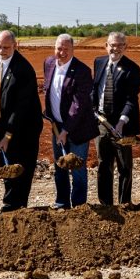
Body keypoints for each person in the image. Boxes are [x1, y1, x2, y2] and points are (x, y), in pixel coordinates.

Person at [0, 30, 43, 211]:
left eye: (6, 48)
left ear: (15, 46)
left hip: (25, 127)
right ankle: (10, 201)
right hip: (1, 122)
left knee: (20, 166)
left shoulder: (24, 70)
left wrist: (8, 136)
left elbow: (20, 108)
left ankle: (17, 206)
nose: (1, 51)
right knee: (6, 162)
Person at [43, 34, 98, 209]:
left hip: (78, 127)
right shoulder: (49, 63)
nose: (62, 52)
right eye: (59, 48)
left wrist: (65, 131)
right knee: (60, 166)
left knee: (77, 168)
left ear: (73, 49)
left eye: (66, 49)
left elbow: (78, 105)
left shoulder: (82, 70)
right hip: (57, 126)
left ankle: (80, 206)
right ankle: (62, 203)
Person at [91, 32, 140, 206]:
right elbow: (95, 88)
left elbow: (131, 99)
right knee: (104, 164)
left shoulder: (132, 69)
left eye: (120, 45)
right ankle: (106, 204)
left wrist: (121, 122)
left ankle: (124, 204)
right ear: (106, 45)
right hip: (101, 123)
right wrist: (92, 110)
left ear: (125, 47)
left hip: (123, 125)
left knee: (124, 167)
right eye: (113, 45)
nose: (116, 48)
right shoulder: (98, 62)